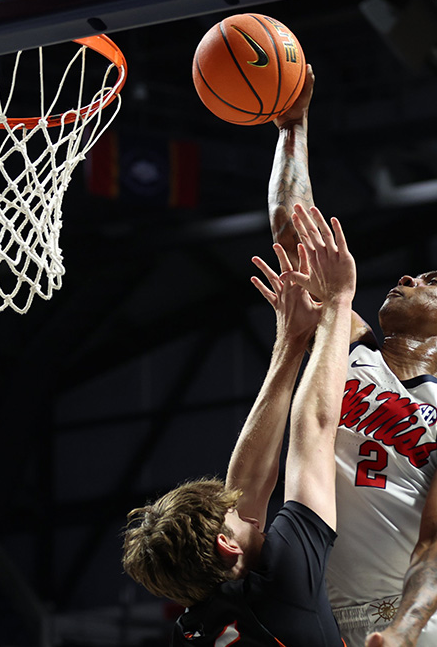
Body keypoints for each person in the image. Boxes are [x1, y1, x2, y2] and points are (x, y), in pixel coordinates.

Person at [268, 65, 437, 647]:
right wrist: (293, 128)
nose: (406, 277)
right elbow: (292, 232)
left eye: (432, 280)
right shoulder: (343, 346)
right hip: (335, 623)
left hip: (429, 621)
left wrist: (404, 630)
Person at [122, 204, 357, 647]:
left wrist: (290, 343)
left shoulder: (194, 629)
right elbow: (314, 429)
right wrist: (341, 298)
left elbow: (247, 482)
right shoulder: (284, 588)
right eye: (236, 516)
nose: (246, 507)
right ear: (228, 547)